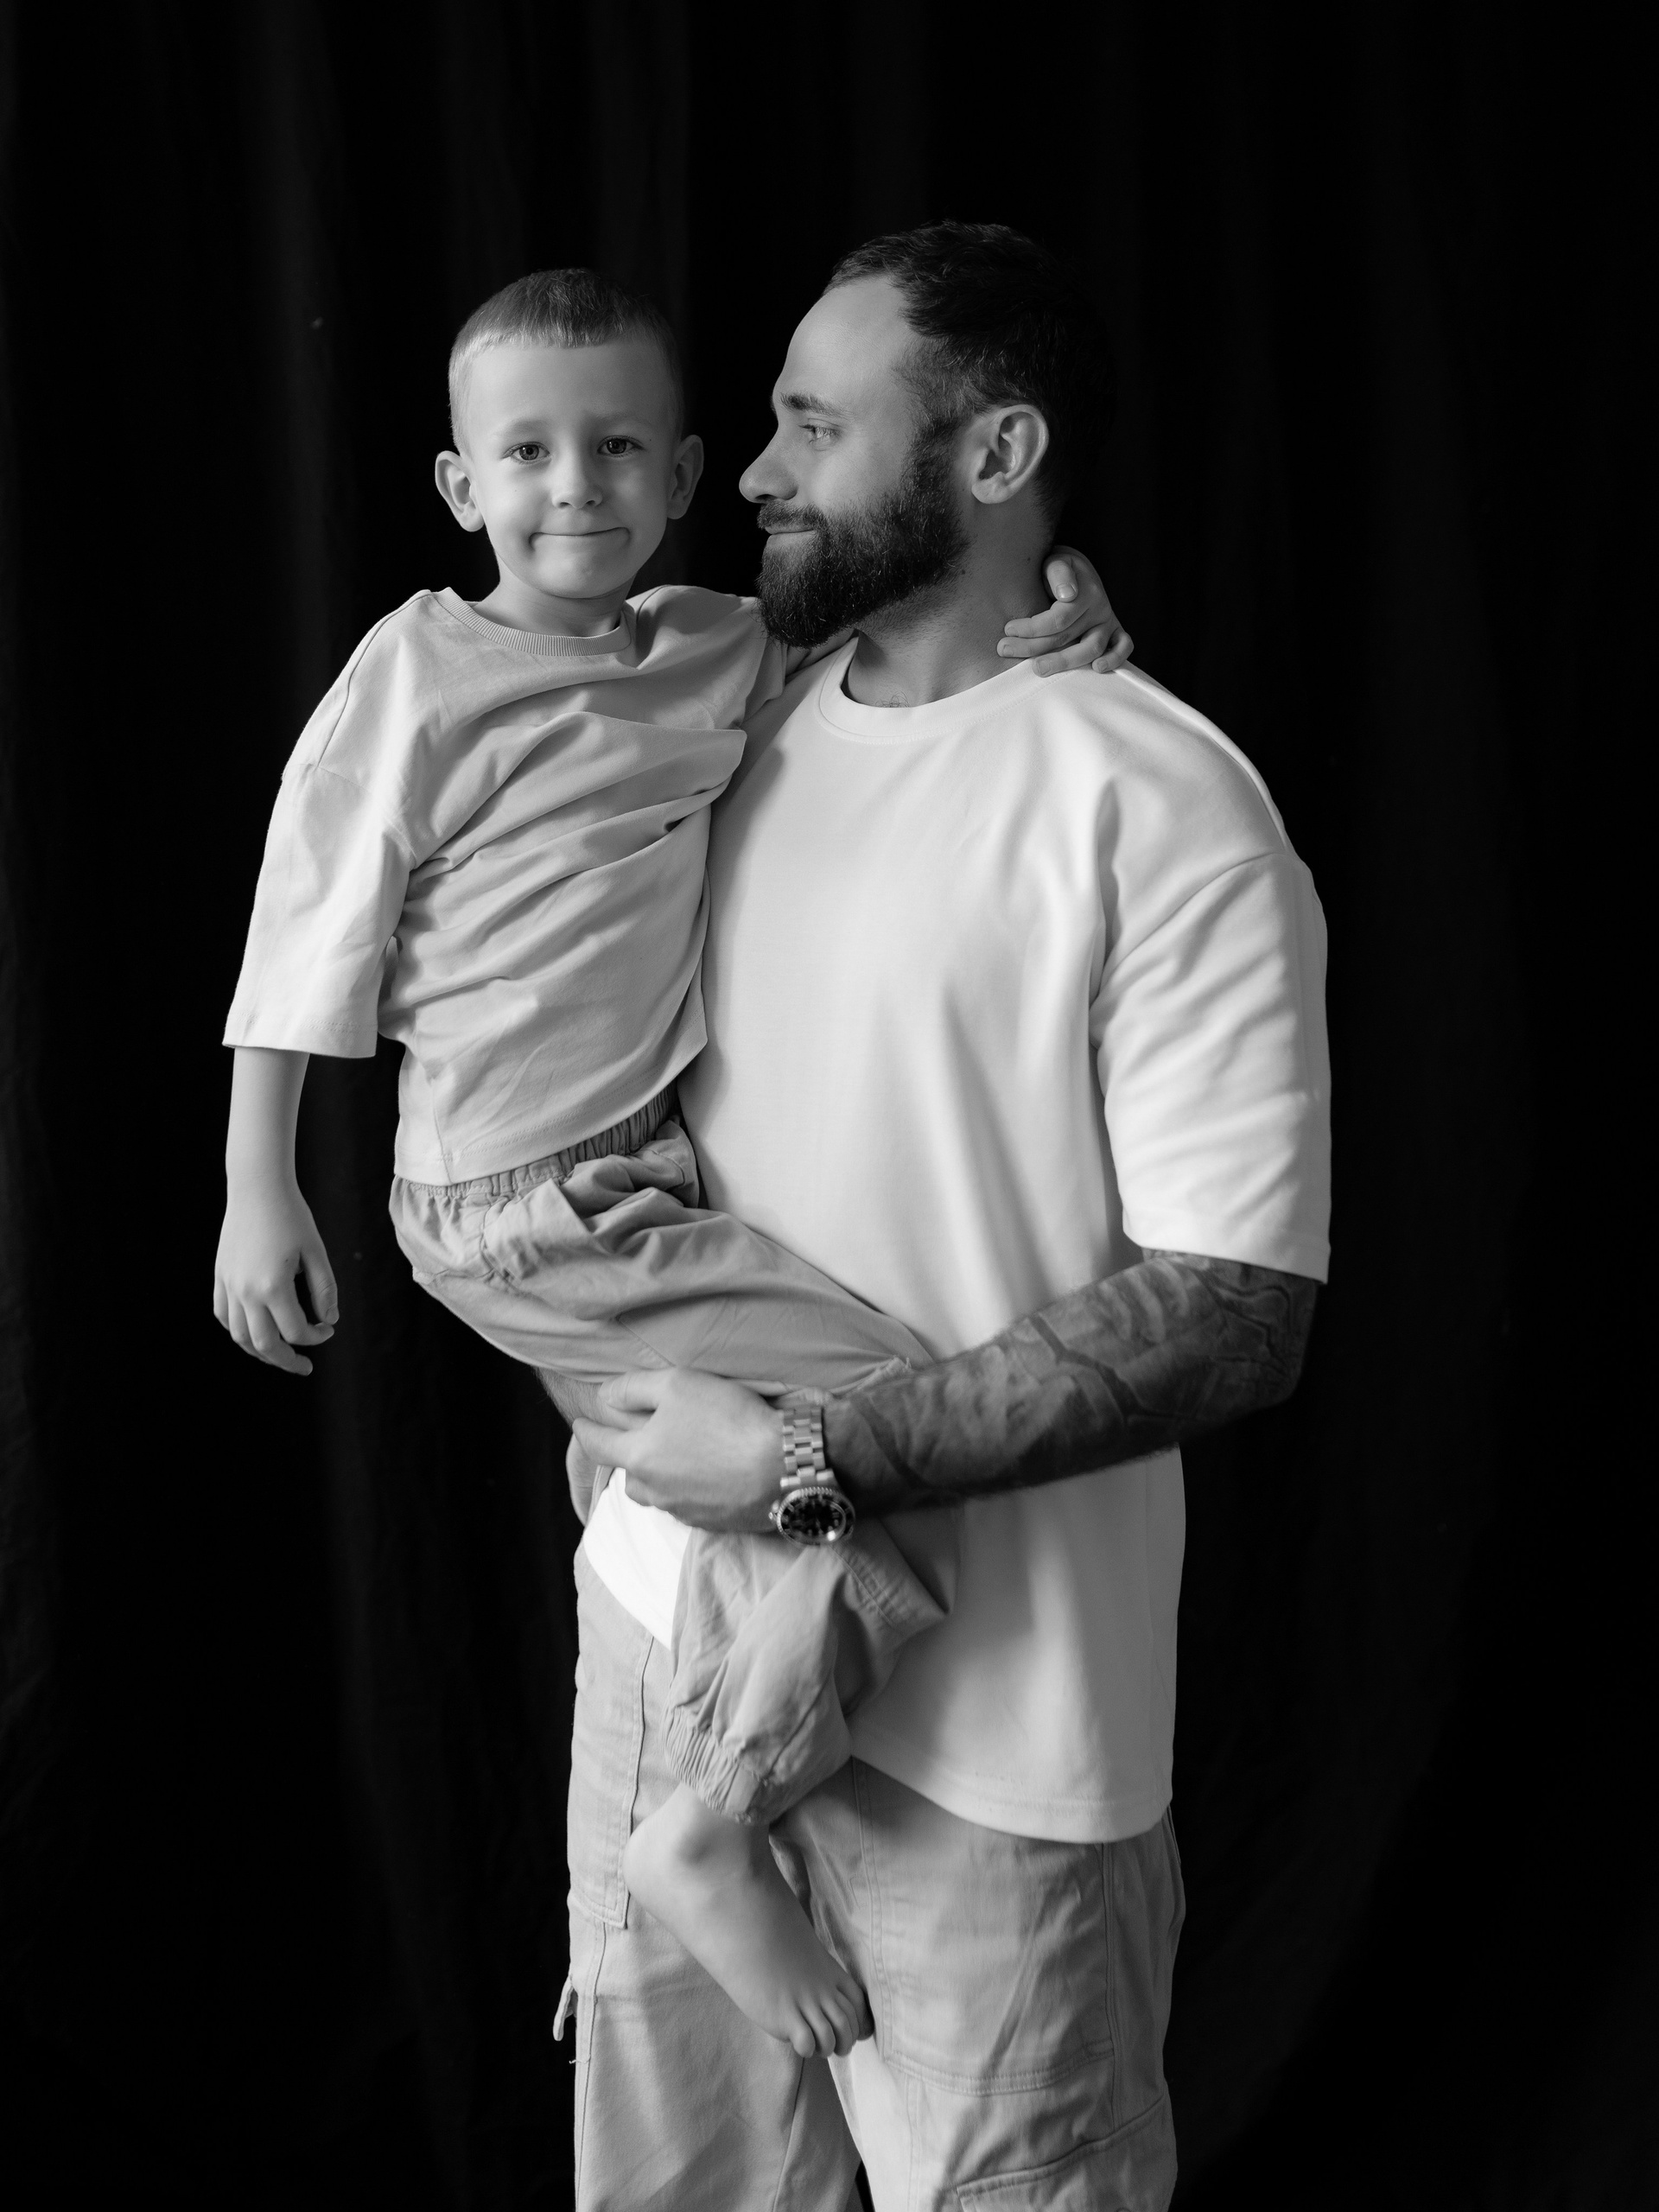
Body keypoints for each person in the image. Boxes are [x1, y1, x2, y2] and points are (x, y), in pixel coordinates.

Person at [211, 268, 1128, 2063]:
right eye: (529, 455)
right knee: (896, 1426)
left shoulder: (714, 642)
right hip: (518, 1200)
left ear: (688, 470)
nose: (578, 486)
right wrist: (261, 1186)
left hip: (645, 1173)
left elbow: (900, 637)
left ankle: (701, 1675)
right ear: (461, 486)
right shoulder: (418, 675)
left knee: (788, 1468)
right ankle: (710, 1820)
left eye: (621, 448)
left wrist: (1059, 599)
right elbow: (303, 930)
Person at [567, 222, 1331, 2212]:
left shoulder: (1159, 798)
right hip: (662, 1641)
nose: (751, 470)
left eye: (815, 426)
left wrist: (805, 1455)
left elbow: (1233, 1307)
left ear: (997, 457)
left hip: (994, 1747)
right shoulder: (722, 722)